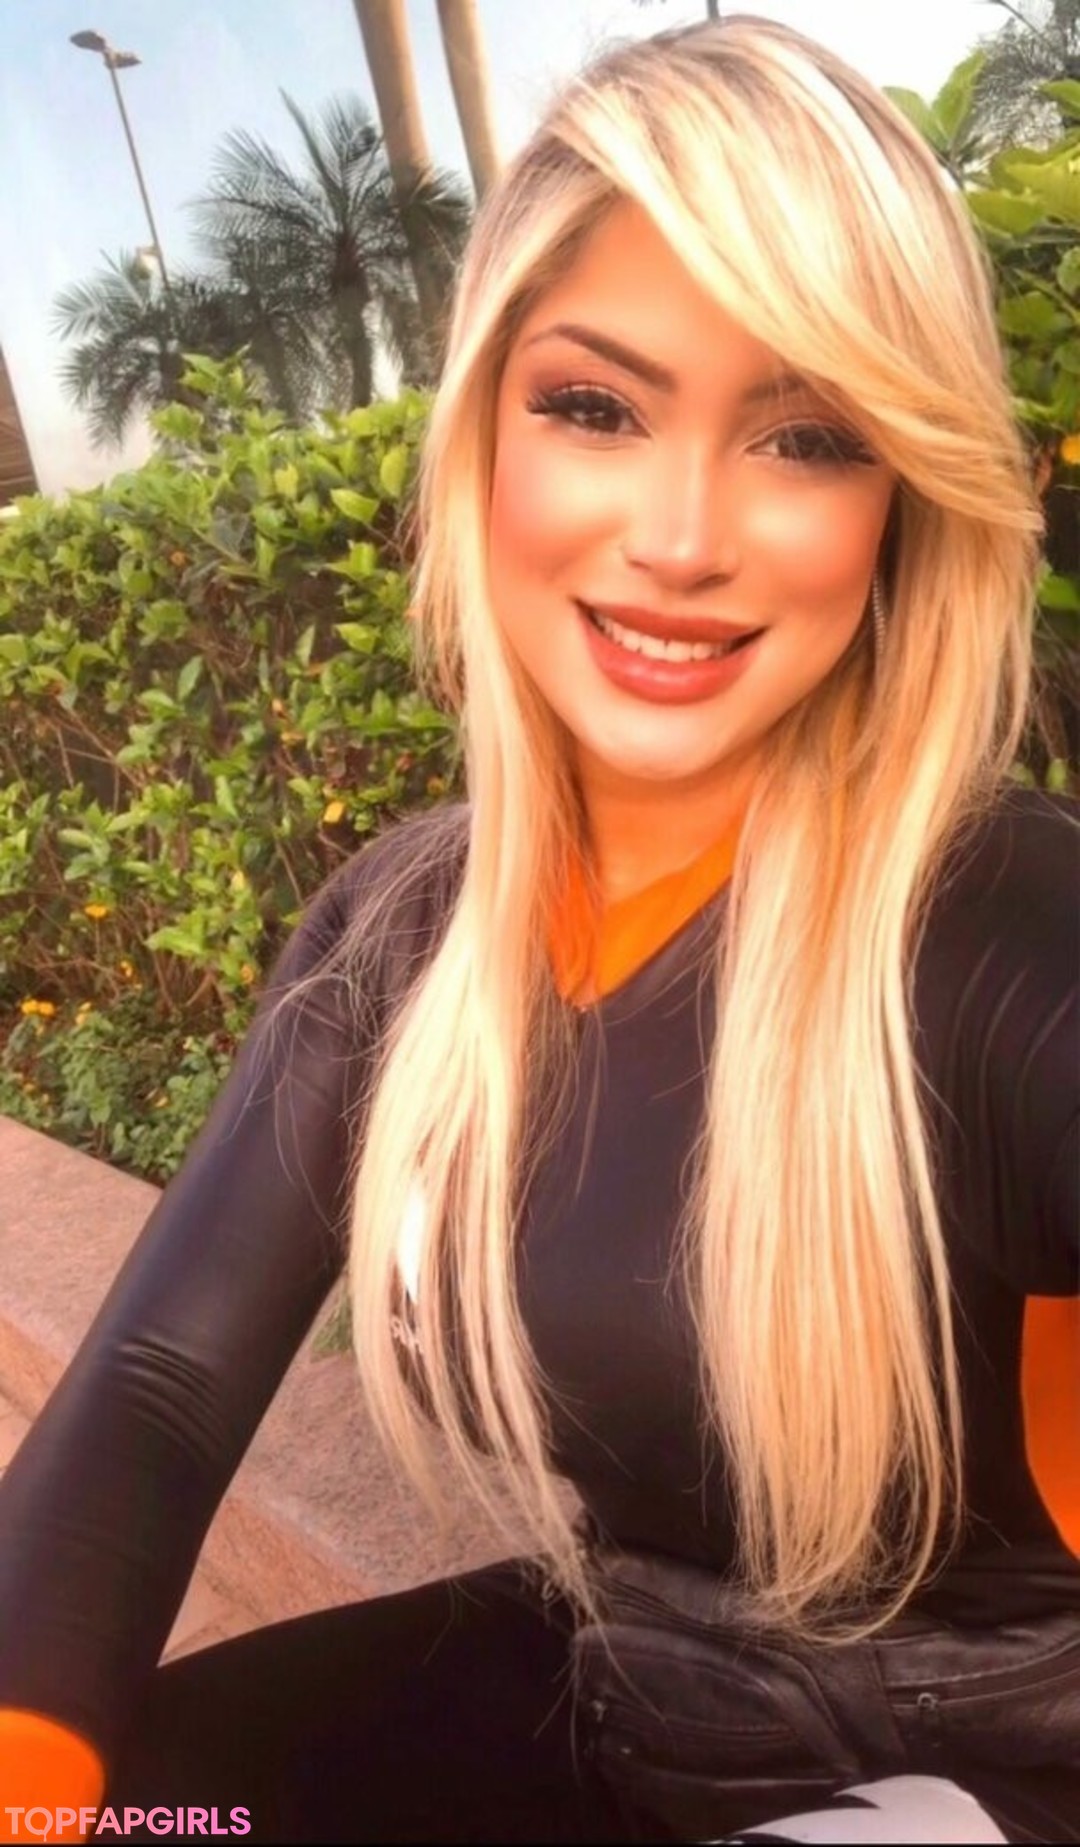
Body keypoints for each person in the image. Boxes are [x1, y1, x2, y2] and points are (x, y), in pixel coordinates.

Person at [1, 15, 1077, 1845]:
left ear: (901, 501)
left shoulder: (1009, 932)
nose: (681, 536)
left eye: (805, 437)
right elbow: (165, 1395)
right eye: (596, 406)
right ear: (486, 433)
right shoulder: (407, 931)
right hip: (629, 1695)